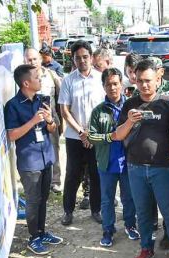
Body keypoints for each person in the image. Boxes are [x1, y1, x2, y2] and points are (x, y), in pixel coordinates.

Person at [111, 59, 169, 258]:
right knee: (143, 212)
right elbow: (117, 135)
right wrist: (129, 121)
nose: (144, 85)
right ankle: (146, 248)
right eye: (140, 81)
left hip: (160, 168)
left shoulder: (167, 105)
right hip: (135, 168)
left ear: (158, 79)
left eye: (149, 81)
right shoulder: (129, 104)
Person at [4, 64, 63, 255]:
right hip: (30, 161)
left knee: (43, 198)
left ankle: (42, 232)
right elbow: (12, 135)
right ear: (26, 83)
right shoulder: (13, 106)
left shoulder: (43, 100)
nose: (41, 80)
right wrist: (32, 122)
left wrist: (49, 121)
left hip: (46, 157)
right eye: (37, 78)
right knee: (32, 200)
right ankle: (33, 238)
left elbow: (53, 129)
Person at [87, 67, 140, 247]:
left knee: (129, 197)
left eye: (116, 84)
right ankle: (108, 230)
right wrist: (110, 137)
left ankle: (130, 225)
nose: (113, 88)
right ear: (103, 86)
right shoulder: (98, 111)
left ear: (122, 85)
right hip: (106, 163)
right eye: (108, 84)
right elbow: (91, 137)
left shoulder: (132, 107)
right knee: (107, 199)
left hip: (128, 162)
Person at [58, 41, 105, 225]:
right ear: (74, 60)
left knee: (96, 174)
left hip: (97, 136)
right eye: (78, 58)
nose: (82, 60)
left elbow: (105, 108)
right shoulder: (68, 81)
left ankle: (96, 210)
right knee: (72, 175)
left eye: (85, 57)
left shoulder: (101, 78)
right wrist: (81, 132)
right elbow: (65, 111)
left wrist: (92, 133)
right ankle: (68, 212)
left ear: (92, 58)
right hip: (74, 137)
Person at [24, 48, 64, 194]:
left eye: (35, 59)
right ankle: (40, 181)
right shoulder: (22, 79)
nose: (32, 62)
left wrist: (60, 121)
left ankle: (55, 181)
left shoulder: (52, 75)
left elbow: (61, 98)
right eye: (29, 60)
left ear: (40, 60)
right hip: (30, 122)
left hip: (50, 120)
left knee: (53, 149)